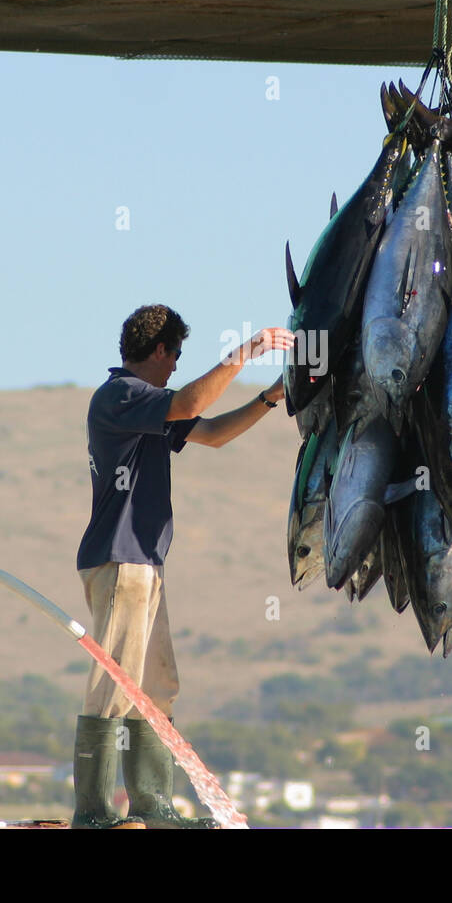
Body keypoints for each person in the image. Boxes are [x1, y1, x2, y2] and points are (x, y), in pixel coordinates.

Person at [73, 305, 294, 829]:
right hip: (120, 558)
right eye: (174, 356)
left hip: (144, 563)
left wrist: (271, 397)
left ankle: (152, 805)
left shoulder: (147, 407)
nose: (175, 367)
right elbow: (193, 400)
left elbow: (212, 431)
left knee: (155, 686)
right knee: (114, 683)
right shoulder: (122, 395)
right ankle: (94, 812)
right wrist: (245, 353)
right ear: (159, 350)